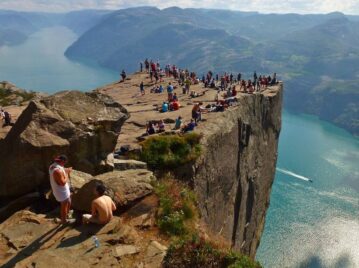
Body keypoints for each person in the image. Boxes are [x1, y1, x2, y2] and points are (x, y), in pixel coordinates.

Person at [49, 155, 72, 224]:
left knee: (69, 200)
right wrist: (67, 173)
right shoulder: (57, 171)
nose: (64, 164)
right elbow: (62, 183)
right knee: (64, 205)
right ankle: (64, 220)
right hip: (61, 191)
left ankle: (67, 214)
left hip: (62, 190)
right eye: (64, 163)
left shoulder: (52, 166)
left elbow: (61, 171)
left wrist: (66, 170)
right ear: (63, 161)